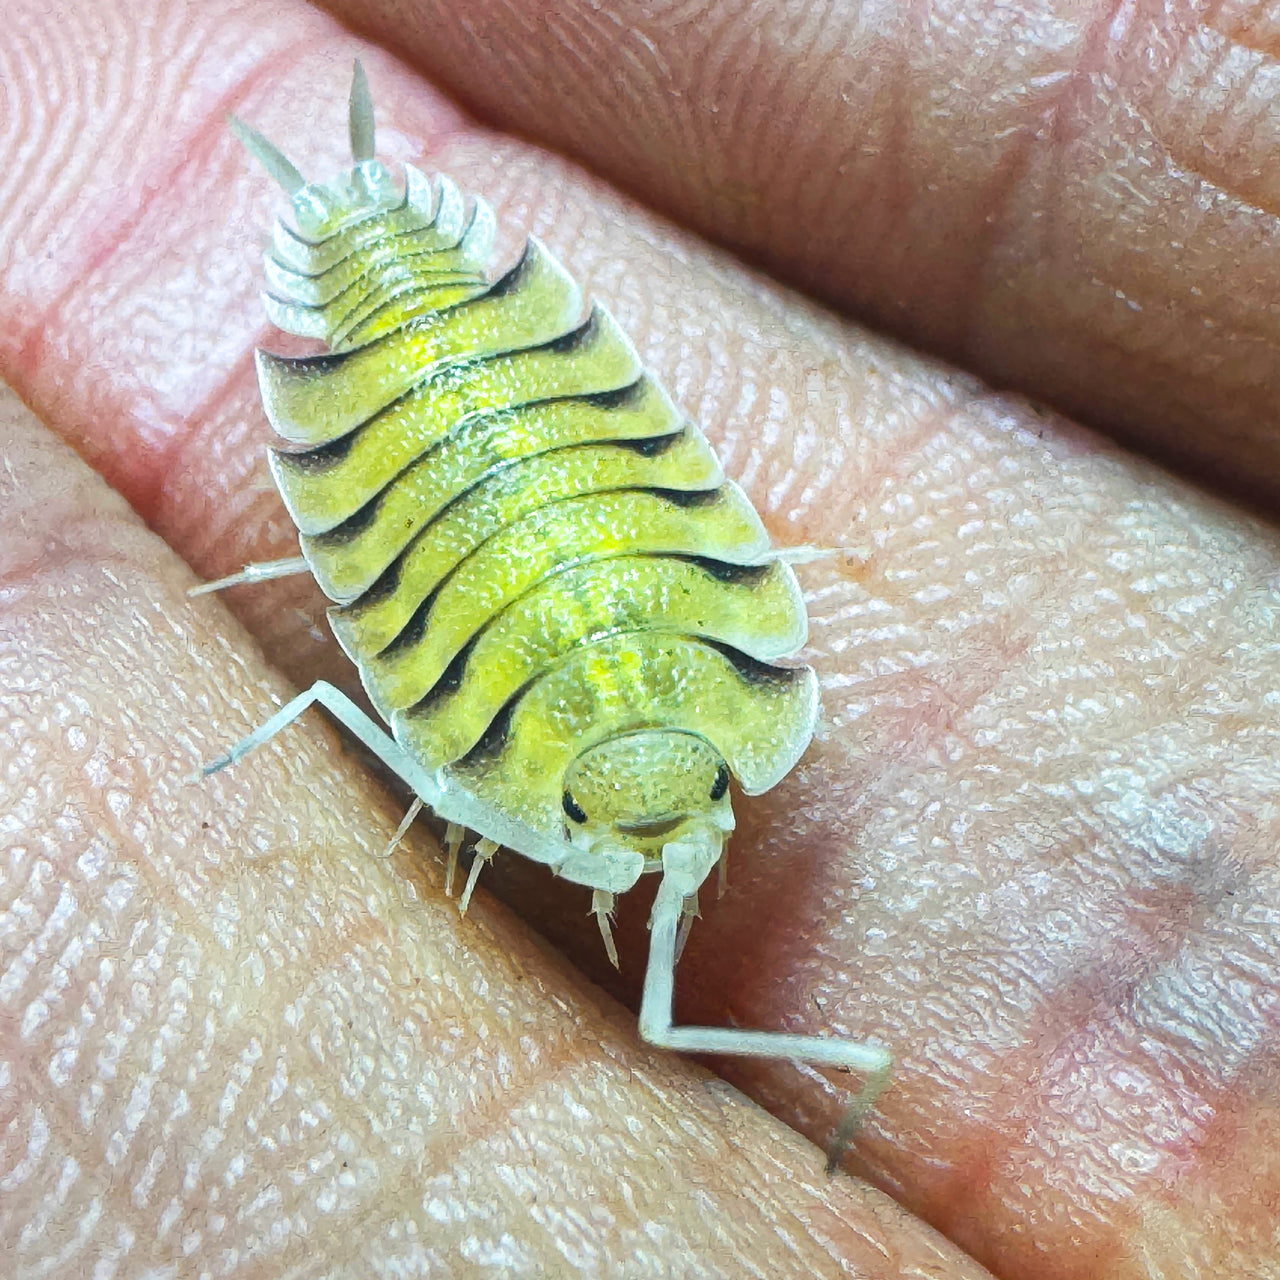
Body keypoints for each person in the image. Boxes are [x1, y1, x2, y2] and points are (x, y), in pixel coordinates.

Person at [0, 2, 1274, 1277]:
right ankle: (353, 209)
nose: (666, 837)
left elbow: (372, 693)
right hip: (474, 391)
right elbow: (367, 692)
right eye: (676, 813)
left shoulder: (623, 714)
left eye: (649, 819)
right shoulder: (704, 684)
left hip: (455, 436)